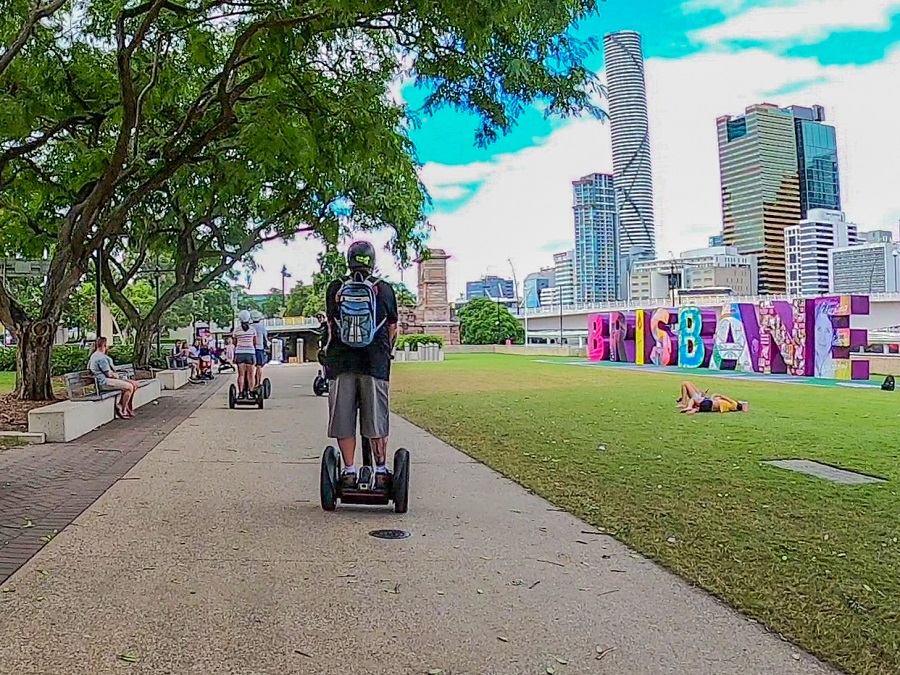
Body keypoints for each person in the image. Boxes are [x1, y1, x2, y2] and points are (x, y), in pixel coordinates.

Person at [321, 240, 399, 490]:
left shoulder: (336, 288)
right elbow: (392, 328)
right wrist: (388, 352)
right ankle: (380, 470)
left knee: (344, 420)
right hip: (374, 364)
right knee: (376, 420)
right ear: (372, 262)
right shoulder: (384, 289)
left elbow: (332, 326)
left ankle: (349, 470)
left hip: (341, 364)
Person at [88, 337, 139, 419]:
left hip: (103, 381)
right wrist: (116, 375)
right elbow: (109, 374)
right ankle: (123, 409)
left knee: (134, 384)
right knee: (129, 387)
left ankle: (127, 407)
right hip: (105, 382)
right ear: (104, 345)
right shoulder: (100, 358)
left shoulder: (95, 355)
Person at [678, 381, 749, 414]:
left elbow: (720, 396)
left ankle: (685, 403)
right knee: (688, 384)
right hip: (706, 402)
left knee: (685, 383)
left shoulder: (733, 404)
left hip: (706, 401)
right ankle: (688, 404)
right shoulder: (730, 406)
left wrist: (713, 396)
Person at [232, 310, 258, 396]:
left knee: (241, 375)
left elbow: (234, 343)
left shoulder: (237, 330)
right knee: (250, 375)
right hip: (250, 353)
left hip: (239, 353)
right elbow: (254, 342)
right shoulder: (252, 329)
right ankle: (251, 391)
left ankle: (240, 392)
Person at [251, 310, 268, 390]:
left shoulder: (250, 327)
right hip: (259, 348)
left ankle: (250, 383)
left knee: (250, 367)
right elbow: (265, 339)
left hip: (250, 349)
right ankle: (257, 383)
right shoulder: (262, 328)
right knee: (259, 366)